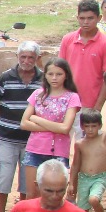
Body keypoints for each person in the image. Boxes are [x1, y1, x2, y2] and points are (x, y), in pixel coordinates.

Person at [0, 42, 43, 212]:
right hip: (6, 136)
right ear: (17, 57)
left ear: (37, 59)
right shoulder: (5, 78)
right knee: (4, 175)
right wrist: (9, 115)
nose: (27, 61)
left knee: (27, 179)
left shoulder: (43, 80)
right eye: (23, 57)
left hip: (32, 139)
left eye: (31, 57)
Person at [19, 57, 80, 198]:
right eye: (50, 74)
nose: (54, 78)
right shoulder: (37, 94)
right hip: (35, 148)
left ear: (66, 76)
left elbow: (65, 128)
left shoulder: (72, 97)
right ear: (45, 75)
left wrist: (37, 119)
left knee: (54, 196)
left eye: (59, 74)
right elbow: (23, 123)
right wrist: (55, 127)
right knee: (32, 194)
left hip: (58, 151)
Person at [58, 0, 106, 120]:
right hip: (66, 103)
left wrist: (97, 108)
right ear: (77, 18)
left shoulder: (104, 43)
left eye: (90, 18)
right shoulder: (67, 39)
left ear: (99, 18)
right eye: (82, 18)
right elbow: (59, 71)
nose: (86, 22)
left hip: (90, 107)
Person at [69, 109, 106, 212]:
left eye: (94, 126)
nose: (90, 129)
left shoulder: (103, 138)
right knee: (82, 211)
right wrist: (72, 184)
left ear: (100, 125)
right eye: (87, 126)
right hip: (83, 179)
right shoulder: (80, 144)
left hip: (100, 177)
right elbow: (75, 165)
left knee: (94, 199)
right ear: (82, 127)